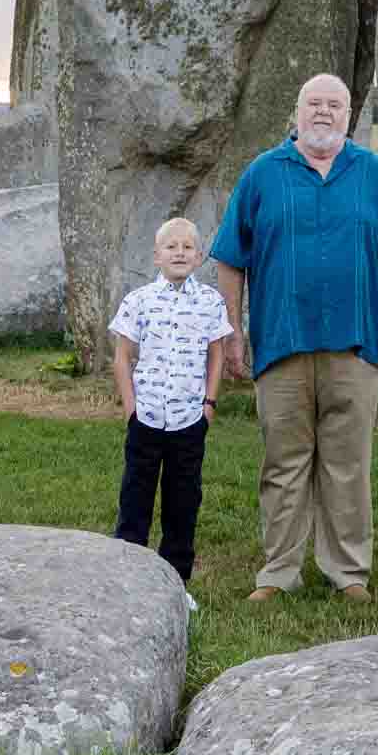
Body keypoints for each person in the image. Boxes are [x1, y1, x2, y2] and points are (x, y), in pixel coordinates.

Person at [210, 73, 378, 604]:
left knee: (347, 463)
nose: (324, 113)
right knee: (284, 461)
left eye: (335, 104)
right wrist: (232, 331)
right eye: (314, 103)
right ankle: (278, 571)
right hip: (282, 342)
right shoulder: (263, 174)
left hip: (354, 344)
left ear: (349, 115)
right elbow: (229, 259)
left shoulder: (373, 174)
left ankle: (348, 571)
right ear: (297, 112)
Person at [109, 217, 233, 589]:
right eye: (171, 247)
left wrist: (208, 405)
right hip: (146, 415)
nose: (179, 252)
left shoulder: (211, 303)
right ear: (156, 256)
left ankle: (176, 582)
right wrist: (130, 408)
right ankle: (128, 576)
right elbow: (122, 357)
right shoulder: (139, 301)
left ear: (198, 257)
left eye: (187, 247)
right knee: (136, 496)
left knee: (183, 501)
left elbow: (217, 354)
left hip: (188, 419)